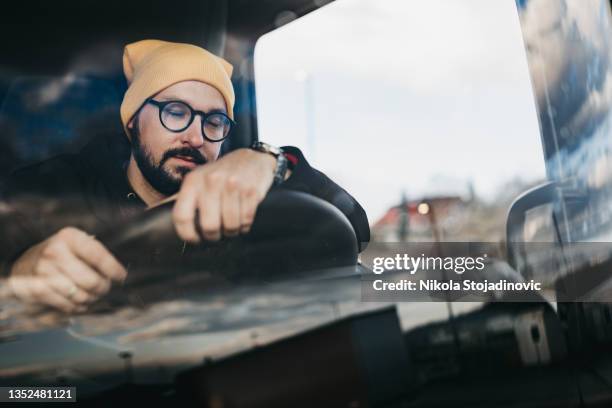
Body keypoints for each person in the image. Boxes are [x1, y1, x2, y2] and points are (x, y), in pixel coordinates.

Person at [0, 40, 369, 313]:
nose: (195, 137)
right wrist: (19, 272)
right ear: (132, 122)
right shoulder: (55, 186)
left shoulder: (243, 203)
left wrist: (270, 161)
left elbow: (354, 225)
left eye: (213, 121)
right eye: (175, 112)